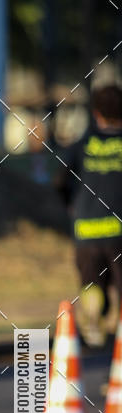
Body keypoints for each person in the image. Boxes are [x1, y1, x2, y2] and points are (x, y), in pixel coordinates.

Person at [56, 83, 122, 346]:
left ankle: (93, 323)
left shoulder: (82, 144)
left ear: (96, 113)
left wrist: (70, 205)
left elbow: (60, 180)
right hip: (118, 230)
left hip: (86, 228)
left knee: (91, 283)